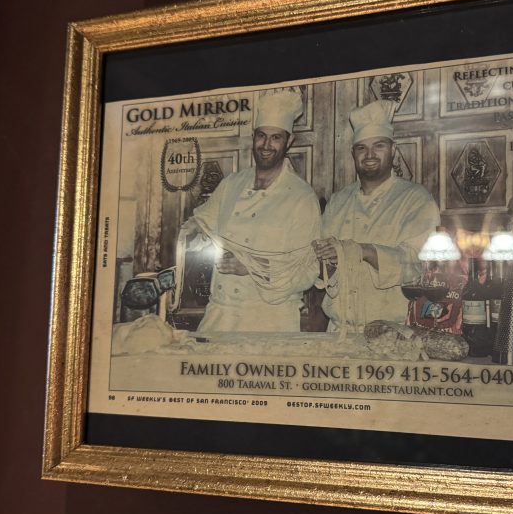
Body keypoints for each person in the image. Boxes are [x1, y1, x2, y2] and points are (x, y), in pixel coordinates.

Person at [181, 88, 321, 332]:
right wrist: (191, 230)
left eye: (276, 138)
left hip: (269, 319)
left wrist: (251, 268)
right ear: (253, 137)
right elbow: (201, 225)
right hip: (220, 316)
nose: (266, 145)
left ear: (289, 142)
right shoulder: (231, 184)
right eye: (261, 136)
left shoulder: (302, 197)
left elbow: (308, 270)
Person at [313, 100, 440, 332]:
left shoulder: (416, 199)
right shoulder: (338, 201)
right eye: (361, 148)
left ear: (393, 150)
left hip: (392, 332)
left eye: (378, 146)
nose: (369, 154)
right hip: (339, 331)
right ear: (353, 154)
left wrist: (363, 251)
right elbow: (321, 268)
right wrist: (327, 261)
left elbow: (416, 265)